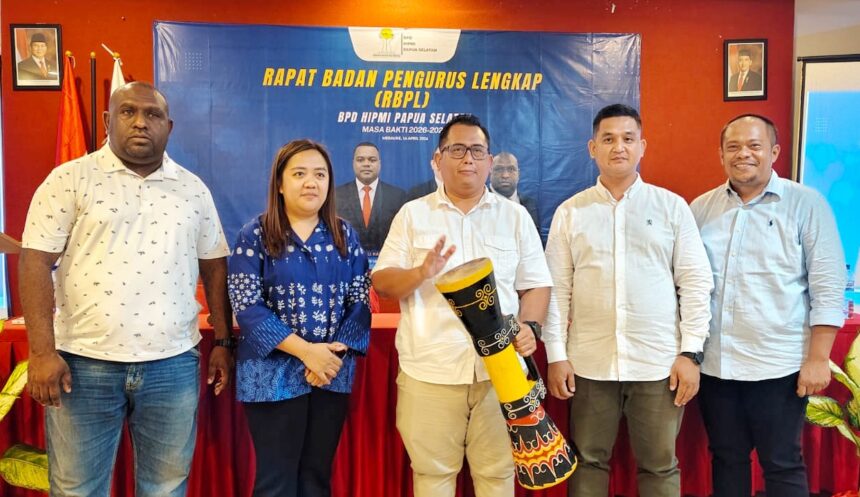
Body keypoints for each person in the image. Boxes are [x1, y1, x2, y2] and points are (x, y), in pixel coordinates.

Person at [19, 81, 233, 497]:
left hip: (172, 365)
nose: (140, 122)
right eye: (128, 111)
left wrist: (223, 340)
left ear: (169, 126)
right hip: (83, 365)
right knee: (77, 489)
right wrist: (42, 352)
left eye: (152, 115)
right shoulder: (69, 180)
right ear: (107, 120)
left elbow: (214, 266)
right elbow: (34, 262)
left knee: (166, 488)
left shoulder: (192, 189)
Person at [372, 114, 552, 497]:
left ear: (490, 161)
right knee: (432, 477)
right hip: (430, 373)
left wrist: (530, 327)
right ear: (438, 160)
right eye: (457, 150)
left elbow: (536, 285)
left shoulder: (515, 217)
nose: (467, 158)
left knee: (498, 476)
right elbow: (383, 283)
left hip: (500, 375)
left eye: (476, 150)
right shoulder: (413, 215)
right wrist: (420, 272)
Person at [543, 103, 713, 497]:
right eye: (608, 139)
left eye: (627, 138)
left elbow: (695, 282)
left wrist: (691, 353)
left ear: (642, 146)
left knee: (659, 466)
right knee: (587, 461)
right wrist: (556, 355)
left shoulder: (671, 207)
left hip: (658, 364)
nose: (618, 147)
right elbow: (557, 290)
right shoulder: (571, 212)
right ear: (592, 148)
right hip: (589, 364)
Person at [690, 114, 845, 497]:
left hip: (778, 365)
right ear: (721, 155)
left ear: (774, 152)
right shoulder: (701, 208)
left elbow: (827, 286)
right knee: (726, 458)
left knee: (782, 462)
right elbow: (689, 284)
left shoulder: (806, 204)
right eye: (733, 147)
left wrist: (818, 359)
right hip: (717, 364)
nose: (743, 154)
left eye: (754, 146)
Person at [228, 139, 370, 497]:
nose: (311, 183)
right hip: (270, 377)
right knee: (275, 482)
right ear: (279, 183)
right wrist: (307, 352)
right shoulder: (255, 235)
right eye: (300, 174)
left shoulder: (344, 235)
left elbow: (360, 300)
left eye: (320, 175)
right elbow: (247, 306)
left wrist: (330, 356)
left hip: (330, 374)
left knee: (316, 479)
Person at [335, 142, 407, 253]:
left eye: (372, 160)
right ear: (353, 163)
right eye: (360, 160)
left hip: (386, 260)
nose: (366, 164)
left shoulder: (398, 196)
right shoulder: (336, 195)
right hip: (346, 259)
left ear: (379, 164)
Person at [490, 151, 539, 230]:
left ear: (518, 174)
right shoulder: (479, 202)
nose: (505, 175)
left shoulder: (530, 205)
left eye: (511, 169)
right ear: (490, 172)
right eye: (499, 169)